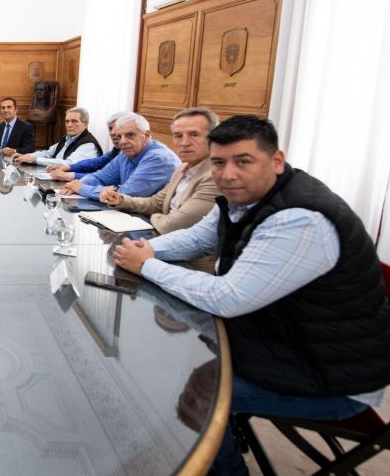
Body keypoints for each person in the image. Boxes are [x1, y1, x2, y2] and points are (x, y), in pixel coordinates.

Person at [112, 115, 390, 475]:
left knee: (184, 396)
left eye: (243, 161)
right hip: (286, 342)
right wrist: (144, 249)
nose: (228, 174)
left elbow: (227, 298)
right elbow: (199, 238)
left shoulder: (300, 218)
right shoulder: (243, 197)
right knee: (173, 367)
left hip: (333, 377)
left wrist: (146, 265)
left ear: (276, 161)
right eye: (219, 162)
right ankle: (225, 443)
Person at [100, 107, 221, 234]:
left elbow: (172, 225)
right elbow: (155, 203)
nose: (184, 142)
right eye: (178, 136)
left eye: (194, 135)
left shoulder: (215, 176)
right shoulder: (182, 169)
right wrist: (120, 200)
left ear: (213, 138)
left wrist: (154, 217)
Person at [60, 112, 178, 199]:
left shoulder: (158, 158)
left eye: (130, 135)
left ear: (146, 136)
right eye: (119, 136)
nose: (122, 141)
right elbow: (100, 177)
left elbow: (125, 194)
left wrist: (82, 188)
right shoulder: (125, 152)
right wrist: (75, 185)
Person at [47, 111, 130, 181]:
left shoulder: (89, 143)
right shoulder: (118, 150)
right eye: (110, 129)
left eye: (74, 121)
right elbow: (96, 162)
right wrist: (68, 167)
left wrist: (72, 176)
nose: (113, 133)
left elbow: (107, 177)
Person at [14, 107, 101, 167]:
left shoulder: (89, 144)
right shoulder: (67, 139)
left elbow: (69, 164)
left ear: (85, 124)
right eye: (67, 121)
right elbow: (47, 153)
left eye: (74, 121)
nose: (69, 125)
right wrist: (25, 155)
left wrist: (35, 160)